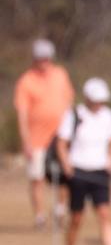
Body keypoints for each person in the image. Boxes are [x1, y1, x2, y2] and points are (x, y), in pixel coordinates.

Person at [56, 77, 111, 245]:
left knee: (105, 214)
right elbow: (61, 143)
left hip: (100, 172)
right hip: (78, 171)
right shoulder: (74, 115)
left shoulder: (109, 116)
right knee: (77, 217)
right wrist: (66, 164)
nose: (99, 104)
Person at [13, 38, 73, 229]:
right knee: (37, 178)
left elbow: (69, 103)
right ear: (34, 59)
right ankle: (39, 215)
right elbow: (22, 115)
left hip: (61, 138)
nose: (44, 62)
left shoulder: (60, 75)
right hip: (36, 139)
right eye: (40, 58)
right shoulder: (26, 81)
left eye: (47, 58)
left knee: (64, 176)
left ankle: (60, 209)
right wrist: (26, 142)